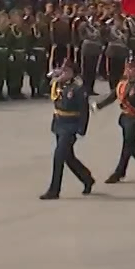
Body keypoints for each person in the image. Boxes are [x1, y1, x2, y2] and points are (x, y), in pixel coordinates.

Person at [40, 63, 94, 200]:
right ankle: (87, 178)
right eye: (62, 70)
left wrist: (81, 129)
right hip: (59, 123)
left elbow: (84, 110)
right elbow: (42, 89)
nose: (62, 73)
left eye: (66, 71)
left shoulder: (78, 88)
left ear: (73, 73)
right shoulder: (58, 85)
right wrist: (49, 77)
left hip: (70, 126)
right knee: (69, 158)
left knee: (59, 157)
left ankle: (54, 190)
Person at [95, 60, 135, 184]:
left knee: (128, 145)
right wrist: (99, 106)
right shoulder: (122, 84)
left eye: (134, 69)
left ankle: (119, 172)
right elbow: (112, 97)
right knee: (130, 146)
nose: (131, 71)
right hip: (125, 118)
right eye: (129, 68)